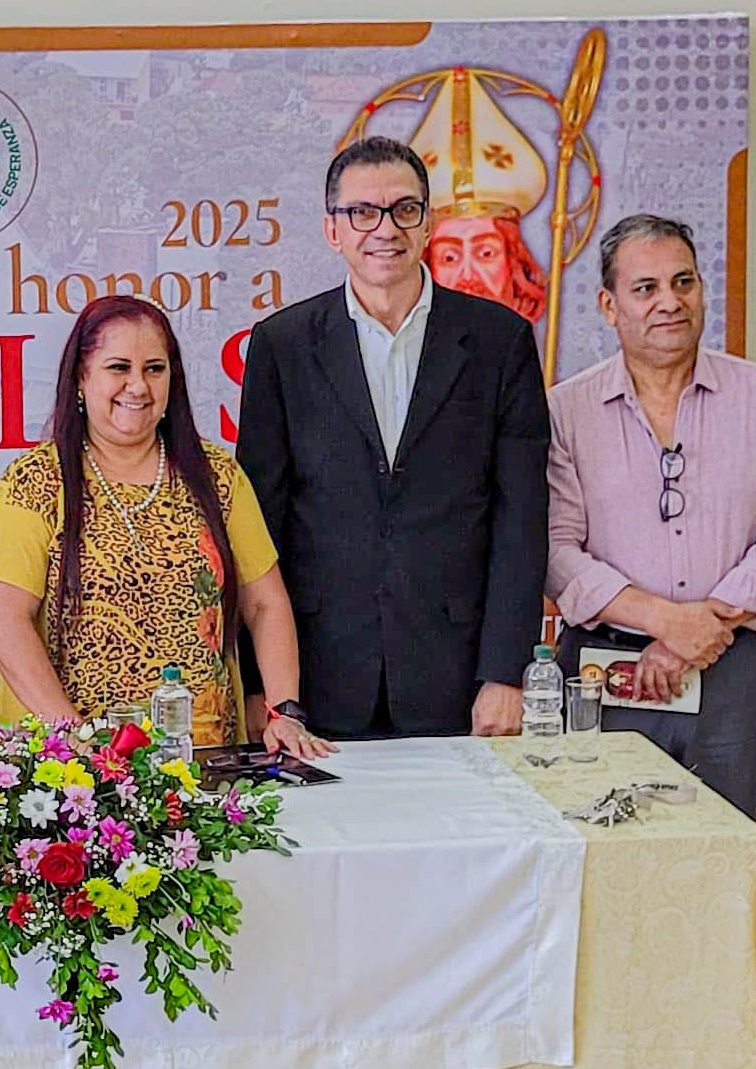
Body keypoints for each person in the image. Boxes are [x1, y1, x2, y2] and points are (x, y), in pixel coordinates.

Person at [234, 133, 550, 740]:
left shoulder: (498, 342)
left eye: (405, 209)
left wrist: (506, 674)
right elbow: (259, 528)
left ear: (428, 223)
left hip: (457, 673)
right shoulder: (283, 345)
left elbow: (521, 516)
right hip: (316, 675)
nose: (385, 229)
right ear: (333, 230)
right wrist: (262, 689)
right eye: (362, 213)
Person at [0, 293, 331, 759]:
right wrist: (77, 741)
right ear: (81, 378)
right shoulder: (35, 481)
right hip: (71, 775)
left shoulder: (217, 476)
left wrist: (283, 711)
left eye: (154, 369)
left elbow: (265, 604)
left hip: (207, 762)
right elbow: (2, 624)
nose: (138, 386)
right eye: (118, 368)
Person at [544, 214, 756, 816]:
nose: (670, 302)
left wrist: (695, 634)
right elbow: (557, 549)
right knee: (604, 851)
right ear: (610, 306)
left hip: (730, 664)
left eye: (684, 283)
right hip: (603, 665)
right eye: (646, 289)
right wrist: (664, 620)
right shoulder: (566, 409)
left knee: (723, 847)